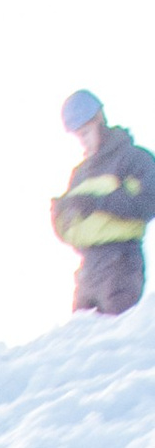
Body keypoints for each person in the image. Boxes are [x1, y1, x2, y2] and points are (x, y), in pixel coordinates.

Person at [51, 91, 152, 318]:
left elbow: (148, 203)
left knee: (117, 344)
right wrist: (58, 218)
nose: (83, 141)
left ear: (100, 120)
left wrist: (98, 202)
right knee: (83, 347)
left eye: (85, 132)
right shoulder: (79, 175)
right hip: (87, 270)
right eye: (78, 136)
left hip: (121, 262)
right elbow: (72, 233)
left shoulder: (133, 159)